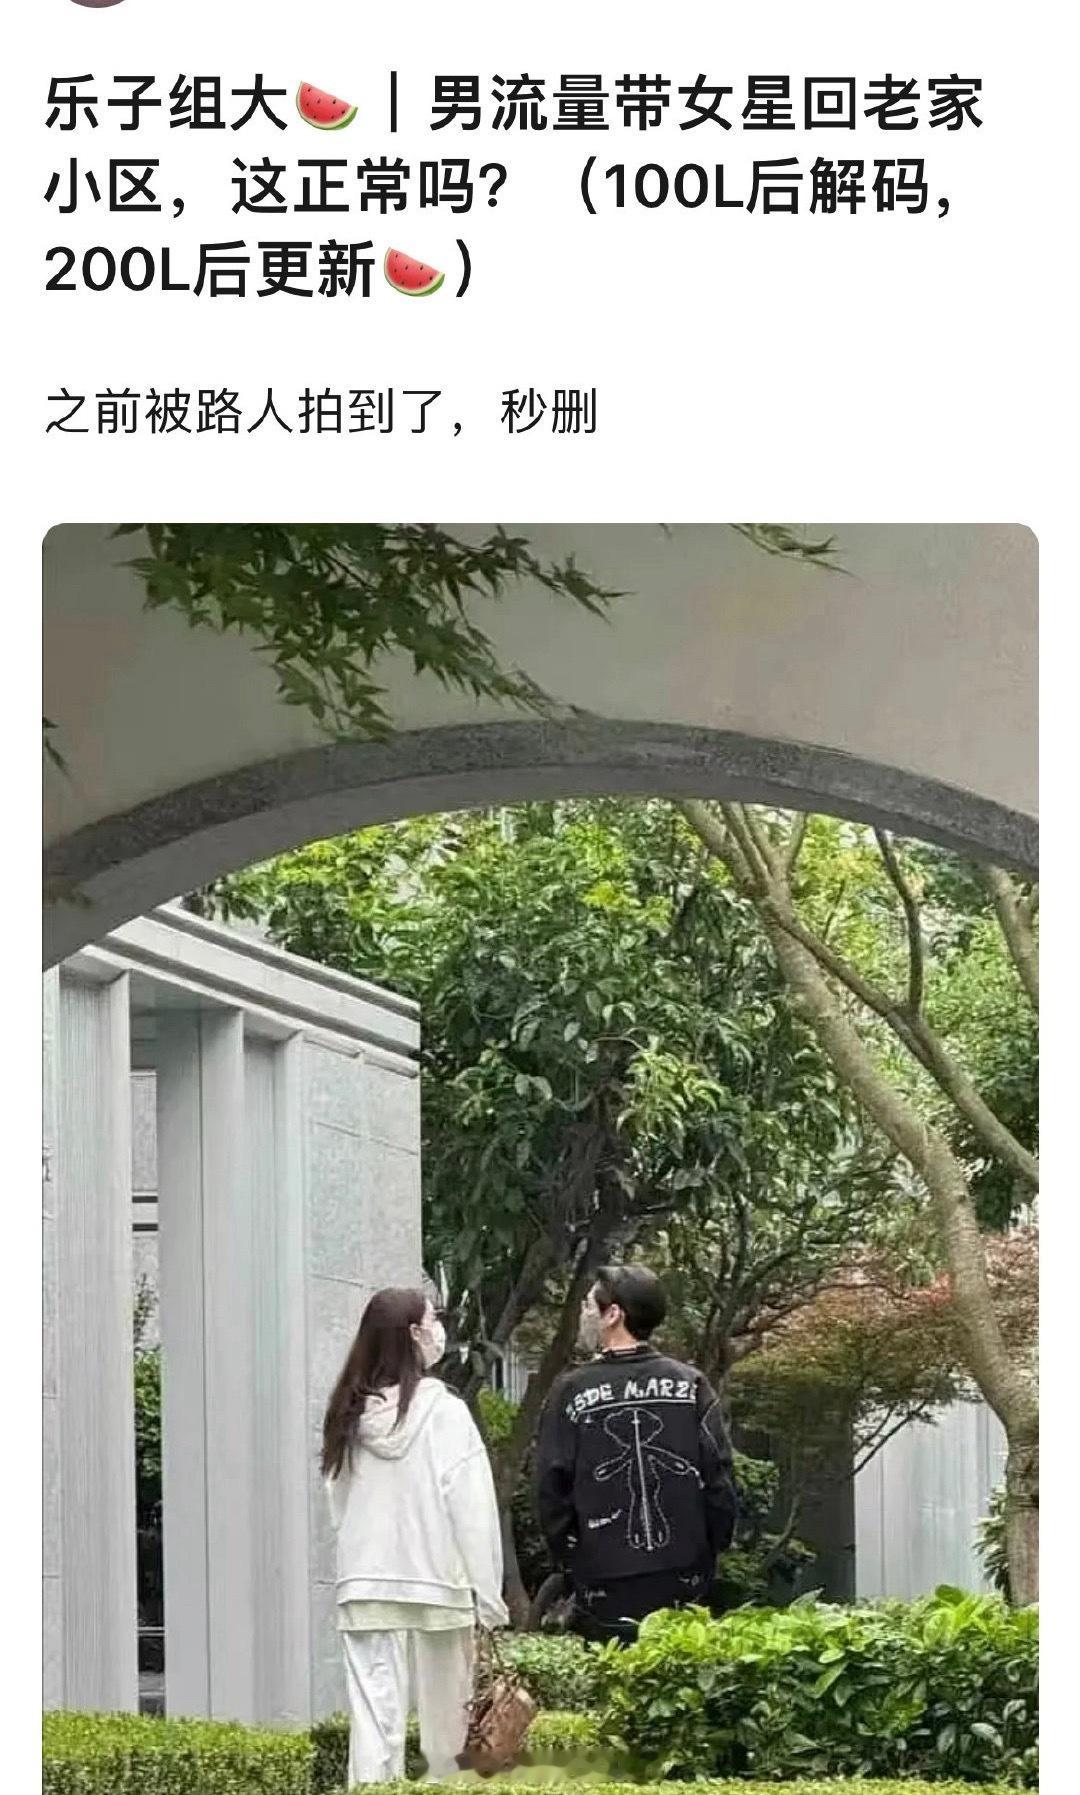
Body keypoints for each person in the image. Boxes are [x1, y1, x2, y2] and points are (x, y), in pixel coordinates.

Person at [323, 1287, 508, 1786]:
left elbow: (338, 1504)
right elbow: (472, 1510)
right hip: (438, 1580)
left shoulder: (348, 1414)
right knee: (449, 1729)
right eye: (433, 1320)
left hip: (366, 1579)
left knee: (372, 1721)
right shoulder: (445, 1413)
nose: (439, 1329)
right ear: (414, 1333)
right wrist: (488, 1596)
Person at [535, 1264, 738, 1643]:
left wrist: (569, 1558)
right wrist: (713, 1547)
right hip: (684, 1570)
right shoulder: (691, 1384)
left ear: (613, 1314)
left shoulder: (571, 1391)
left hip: (603, 1574)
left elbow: (551, 1486)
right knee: (678, 1665)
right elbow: (719, 1476)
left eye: (589, 1306)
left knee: (610, 1668)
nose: (583, 1314)